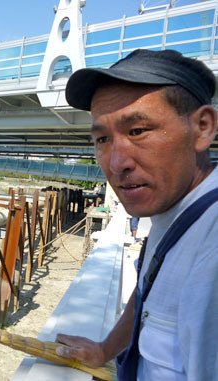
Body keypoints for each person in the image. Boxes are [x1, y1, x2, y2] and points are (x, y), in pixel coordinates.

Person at [55, 49, 218, 380]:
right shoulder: (177, 209)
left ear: (202, 128)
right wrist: (104, 349)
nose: (116, 164)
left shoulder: (212, 245)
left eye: (138, 131)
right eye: (102, 139)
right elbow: (148, 290)